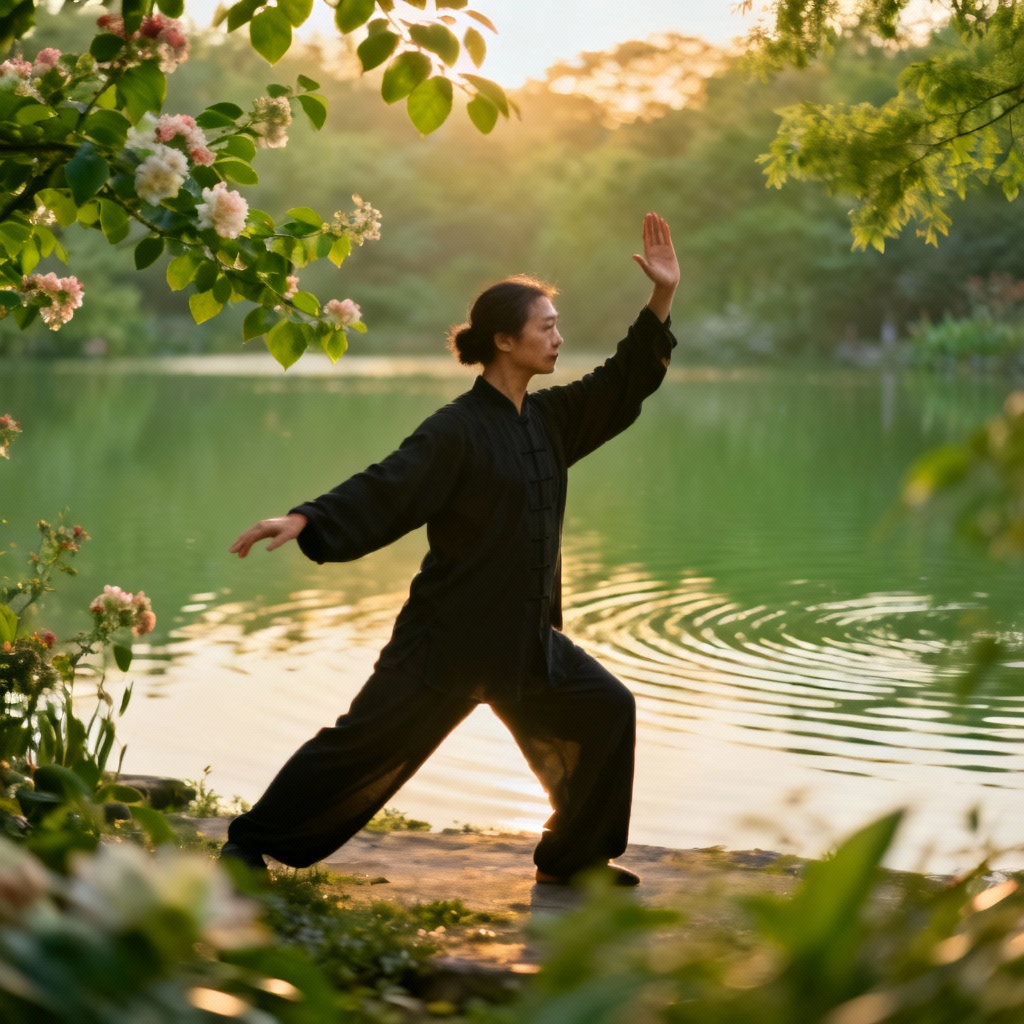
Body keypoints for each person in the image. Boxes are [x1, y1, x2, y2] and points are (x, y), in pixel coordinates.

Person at [221, 212, 679, 886]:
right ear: (503, 340)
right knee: (362, 744)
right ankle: (247, 844)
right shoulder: (456, 431)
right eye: (546, 326)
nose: (558, 337)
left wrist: (661, 298)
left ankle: (574, 858)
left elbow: (623, 381)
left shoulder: (552, 421)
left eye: (557, 324)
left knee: (607, 708)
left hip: (527, 641)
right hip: (448, 642)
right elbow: (389, 486)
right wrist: (307, 519)